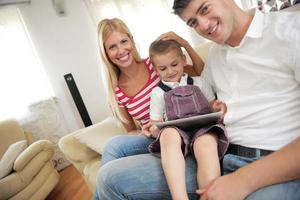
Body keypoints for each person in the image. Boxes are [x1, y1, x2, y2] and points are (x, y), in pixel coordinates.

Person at [95, 1, 300, 200]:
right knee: (109, 172)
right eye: (192, 22)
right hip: (218, 152)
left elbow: (193, 80)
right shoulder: (216, 54)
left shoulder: (290, 30)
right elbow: (208, 93)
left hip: (263, 158)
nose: (202, 25)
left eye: (205, 9)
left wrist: (241, 180)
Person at [94, 18, 205, 199]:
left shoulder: (156, 65)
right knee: (114, 146)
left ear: (131, 39)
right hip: (154, 137)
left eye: (124, 41)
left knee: (113, 147)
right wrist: (145, 131)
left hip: (177, 132)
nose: (121, 50)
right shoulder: (116, 92)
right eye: (112, 47)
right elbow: (130, 131)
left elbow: (201, 73)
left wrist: (184, 44)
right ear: (105, 53)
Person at [145, 39, 228, 200]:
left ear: (183, 60)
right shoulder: (157, 93)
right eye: (163, 68)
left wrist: (218, 108)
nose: (170, 71)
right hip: (177, 133)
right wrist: (153, 130)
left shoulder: (199, 82)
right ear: (155, 70)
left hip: (202, 129)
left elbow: (212, 106)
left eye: (174, 64)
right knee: (168, 134)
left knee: (205, 143)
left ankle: (210, 196)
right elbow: (155, 123)